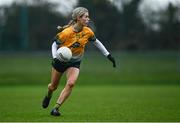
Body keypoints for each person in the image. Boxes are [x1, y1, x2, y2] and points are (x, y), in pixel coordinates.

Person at [42, 7, 116, 116]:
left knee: (71, 84)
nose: (88, 19)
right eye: (86, 17)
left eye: (88, 16)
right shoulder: (66, 32)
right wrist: (54, 58)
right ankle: (48, 95)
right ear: (78, 18)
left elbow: (97, 43)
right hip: (60, 62)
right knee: (53, 86)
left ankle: (56, 108)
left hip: (75, 62)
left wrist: (108, 55)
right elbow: (54, 44)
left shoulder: (88, 31)